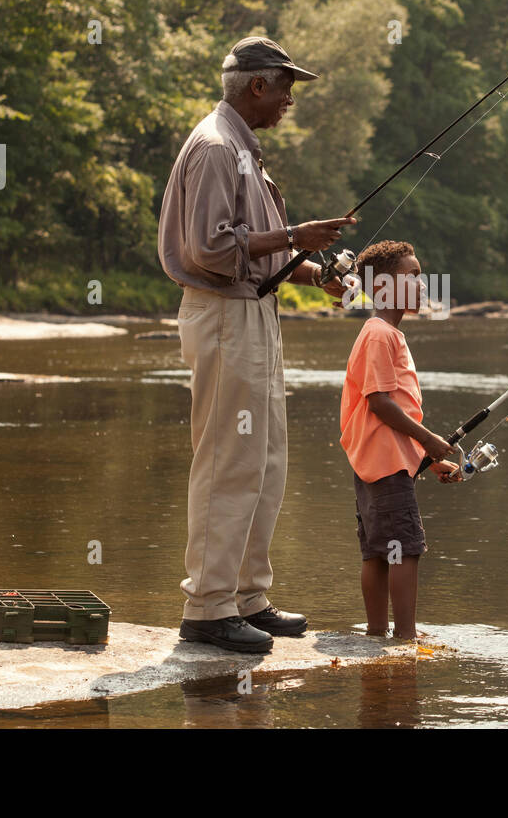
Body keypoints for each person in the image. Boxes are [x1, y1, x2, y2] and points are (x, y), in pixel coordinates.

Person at [157, 36, 356, 654]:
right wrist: (297, 234)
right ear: (258, 86)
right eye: (287, 86)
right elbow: (211, 251)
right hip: (222, 317)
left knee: (266, 459)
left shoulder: (244, 152)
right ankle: (208, 608)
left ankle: (247, 597)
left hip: (252, 313)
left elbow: (251, 252)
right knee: (229, 459)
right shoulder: (216, 149)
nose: (292, 99)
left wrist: (313, 270)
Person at [338, 240, 461, 640]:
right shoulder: (379, 334)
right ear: (386, 286)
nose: (424, 285)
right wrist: (431, 439)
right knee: (404, 549)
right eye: (414, 276)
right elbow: (380, 404)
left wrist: (431, 458)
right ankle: (404, 636)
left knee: (377, 550)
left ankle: (377, 633)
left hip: (378, 461)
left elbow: (392, 416)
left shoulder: (385, 333)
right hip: (384, 463)